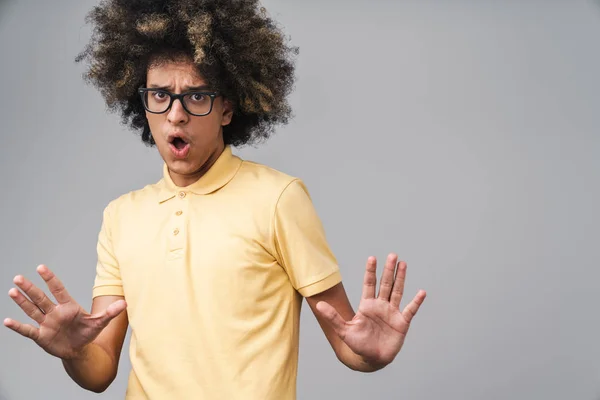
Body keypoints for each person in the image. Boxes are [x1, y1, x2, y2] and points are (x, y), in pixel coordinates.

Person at [3, 1, 427, 399]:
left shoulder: (278, 198)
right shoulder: (121, 216)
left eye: (197, 96)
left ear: (226, 108)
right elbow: (100, 371)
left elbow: (348, 343)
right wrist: (75, 351)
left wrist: (368, 354)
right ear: (144, 104)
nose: (176, 114)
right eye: (159, 95)